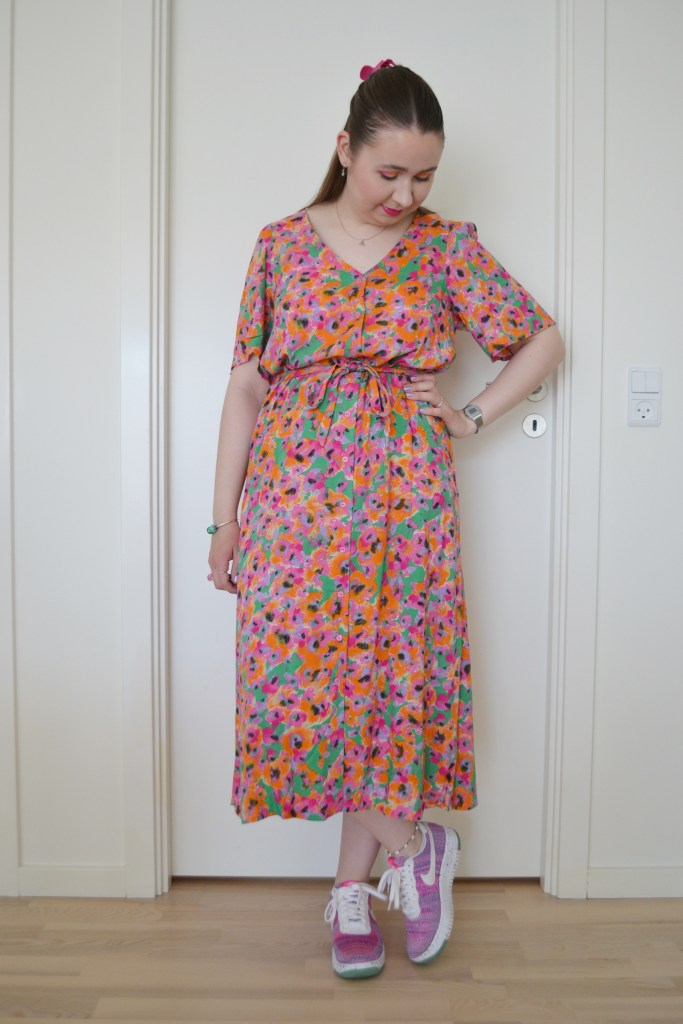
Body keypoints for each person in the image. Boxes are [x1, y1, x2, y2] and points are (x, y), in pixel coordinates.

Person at [208, 59, 565, 980]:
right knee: (297, 689)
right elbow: (245, 386)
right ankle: (416, 846)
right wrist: (224, 521)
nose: (405, 196)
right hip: (293, 498)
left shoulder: (446, 249)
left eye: (424, 177)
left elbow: (541, 338)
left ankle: (349, 893)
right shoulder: (280, 245)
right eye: (389, 173)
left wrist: (471, 414)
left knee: (383, 693)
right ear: (345, 149)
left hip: (406, 498)